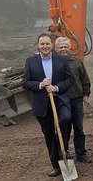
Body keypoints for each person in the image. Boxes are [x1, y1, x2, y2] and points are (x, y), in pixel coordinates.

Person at [22, 33, 74, 177]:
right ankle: (56, 165)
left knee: (66, 118)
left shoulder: (61, 60)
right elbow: (25, 83)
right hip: (42, 104)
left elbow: (70, 80)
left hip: (59, 99)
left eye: (47, 44)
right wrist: (40, 84)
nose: (45, 46)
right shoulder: (31, 61)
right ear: (38, 46)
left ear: (52, 45)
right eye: (42, 44)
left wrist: (56, 88)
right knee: (49, 135)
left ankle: (63, 148)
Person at [54, 37, 92, 163]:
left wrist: (86, 95)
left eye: (66, 47)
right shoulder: (53, 63)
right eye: (61, 47)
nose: (64, 49)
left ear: (70, 48)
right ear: (56, 49)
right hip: (61, 100)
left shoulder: (76, 61)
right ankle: (62, 152)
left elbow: (85, 79)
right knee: (64, 124)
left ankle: (81, 153)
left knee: (78, 127)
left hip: (76, 99)